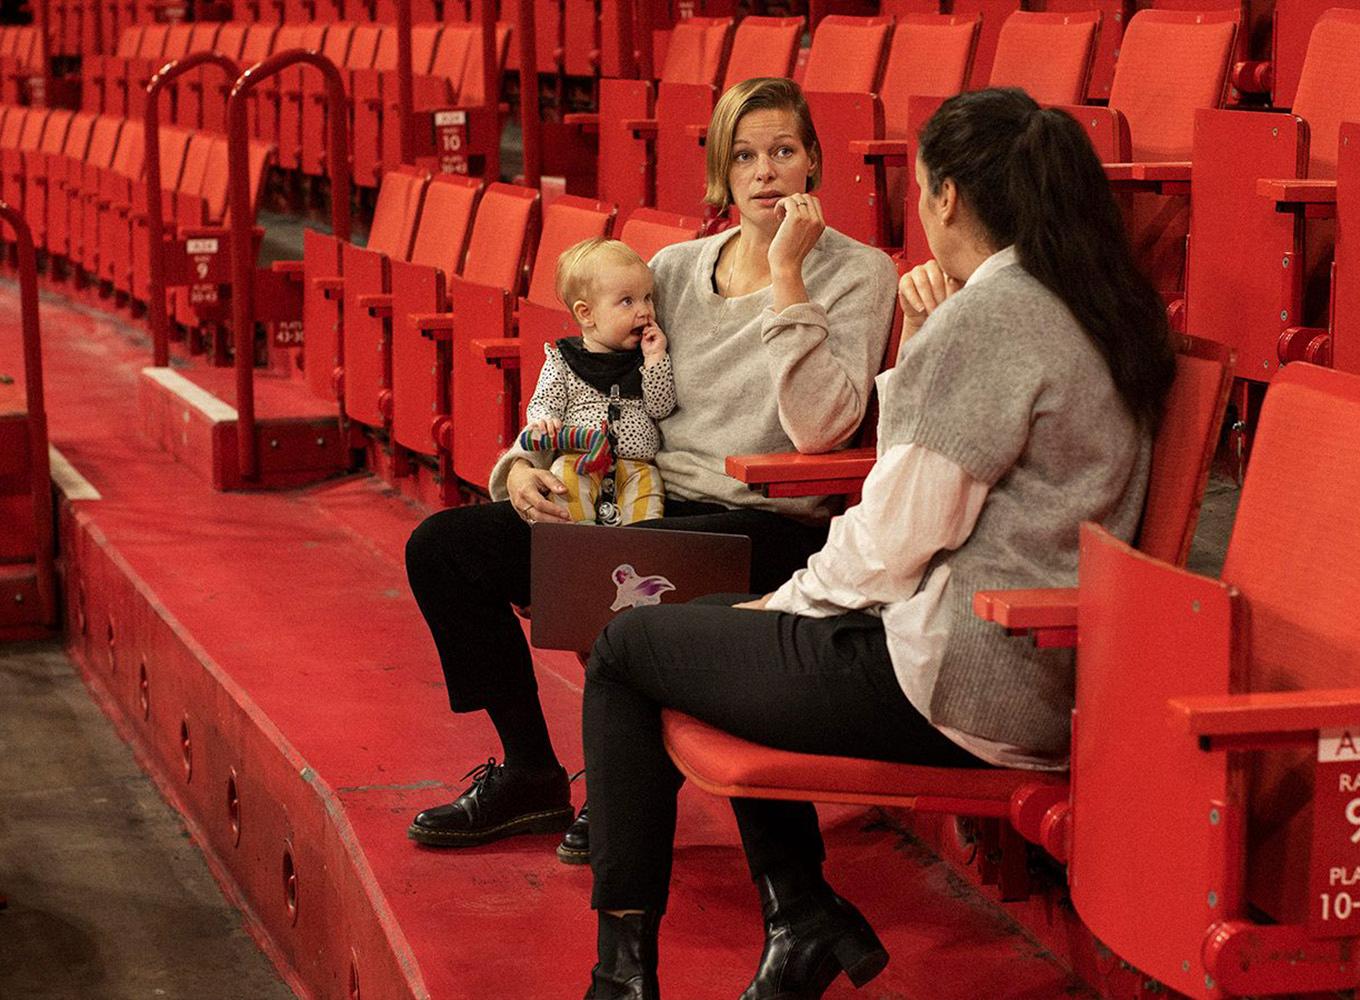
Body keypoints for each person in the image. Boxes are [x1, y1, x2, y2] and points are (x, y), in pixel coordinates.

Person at [578, 87, 1177, 1000]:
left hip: (959, 680)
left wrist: (782, 606)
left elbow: (897, 535)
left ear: (945, 200)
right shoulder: (1081, 299)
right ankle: (800, 918)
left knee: (629, 646)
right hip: (1022, 666)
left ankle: (625, 977)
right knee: (713, 640)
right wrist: (933, 337)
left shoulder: (998, 315)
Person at [402, 77, 897, 860]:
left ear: (813, 165)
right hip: (640, 497)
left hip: (762, 521)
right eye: (744, 156)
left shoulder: (858, 272)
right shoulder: (671, 269)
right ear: (721, 175)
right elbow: (588, 377)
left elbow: (822, 427)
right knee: (445, 548)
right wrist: (520, 468)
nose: (765, 171)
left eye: (783, 152)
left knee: (625, 570)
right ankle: (532, 771)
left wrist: (790, 276)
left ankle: (627, 788)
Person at [520, 238, 674, 526]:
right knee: (564, 483)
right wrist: (545, 420)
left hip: (637, 465)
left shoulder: (646, 356)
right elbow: (544, 401)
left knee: (649, 495)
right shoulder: (563, 359)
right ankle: (578, 551)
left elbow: (661, 408)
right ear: (586, 313)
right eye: (627, 301)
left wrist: (655, 360)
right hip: (580, 460)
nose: (644, 311)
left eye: (647, 297)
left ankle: (636, 558)